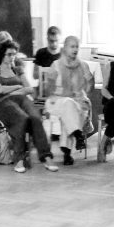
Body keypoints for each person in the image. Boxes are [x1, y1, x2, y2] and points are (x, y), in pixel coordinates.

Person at [0, 39, 57, 173]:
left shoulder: (18, 70)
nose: (12, 57)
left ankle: (46, 157)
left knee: (35, 118)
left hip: (22, 99)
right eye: (9, 54)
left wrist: (13, 91)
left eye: (14, 54)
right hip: (5, 104)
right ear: (2, 55)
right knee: (22, 118)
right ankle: (19, 159)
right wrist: (18, 86)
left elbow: (30, 89)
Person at [42, 35, 94, 165]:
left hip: (76, 102)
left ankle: (68, 152)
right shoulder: (56, 65)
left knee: (69, 110)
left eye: (77, 47)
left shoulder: (83, 65)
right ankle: (77, 137)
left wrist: (88, 85)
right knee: (67, 104)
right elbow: (48, 89)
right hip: (56, 101)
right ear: (65, 48)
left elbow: (90, 87)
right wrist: (54, 92)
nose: (75, 49)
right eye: (72, 46)